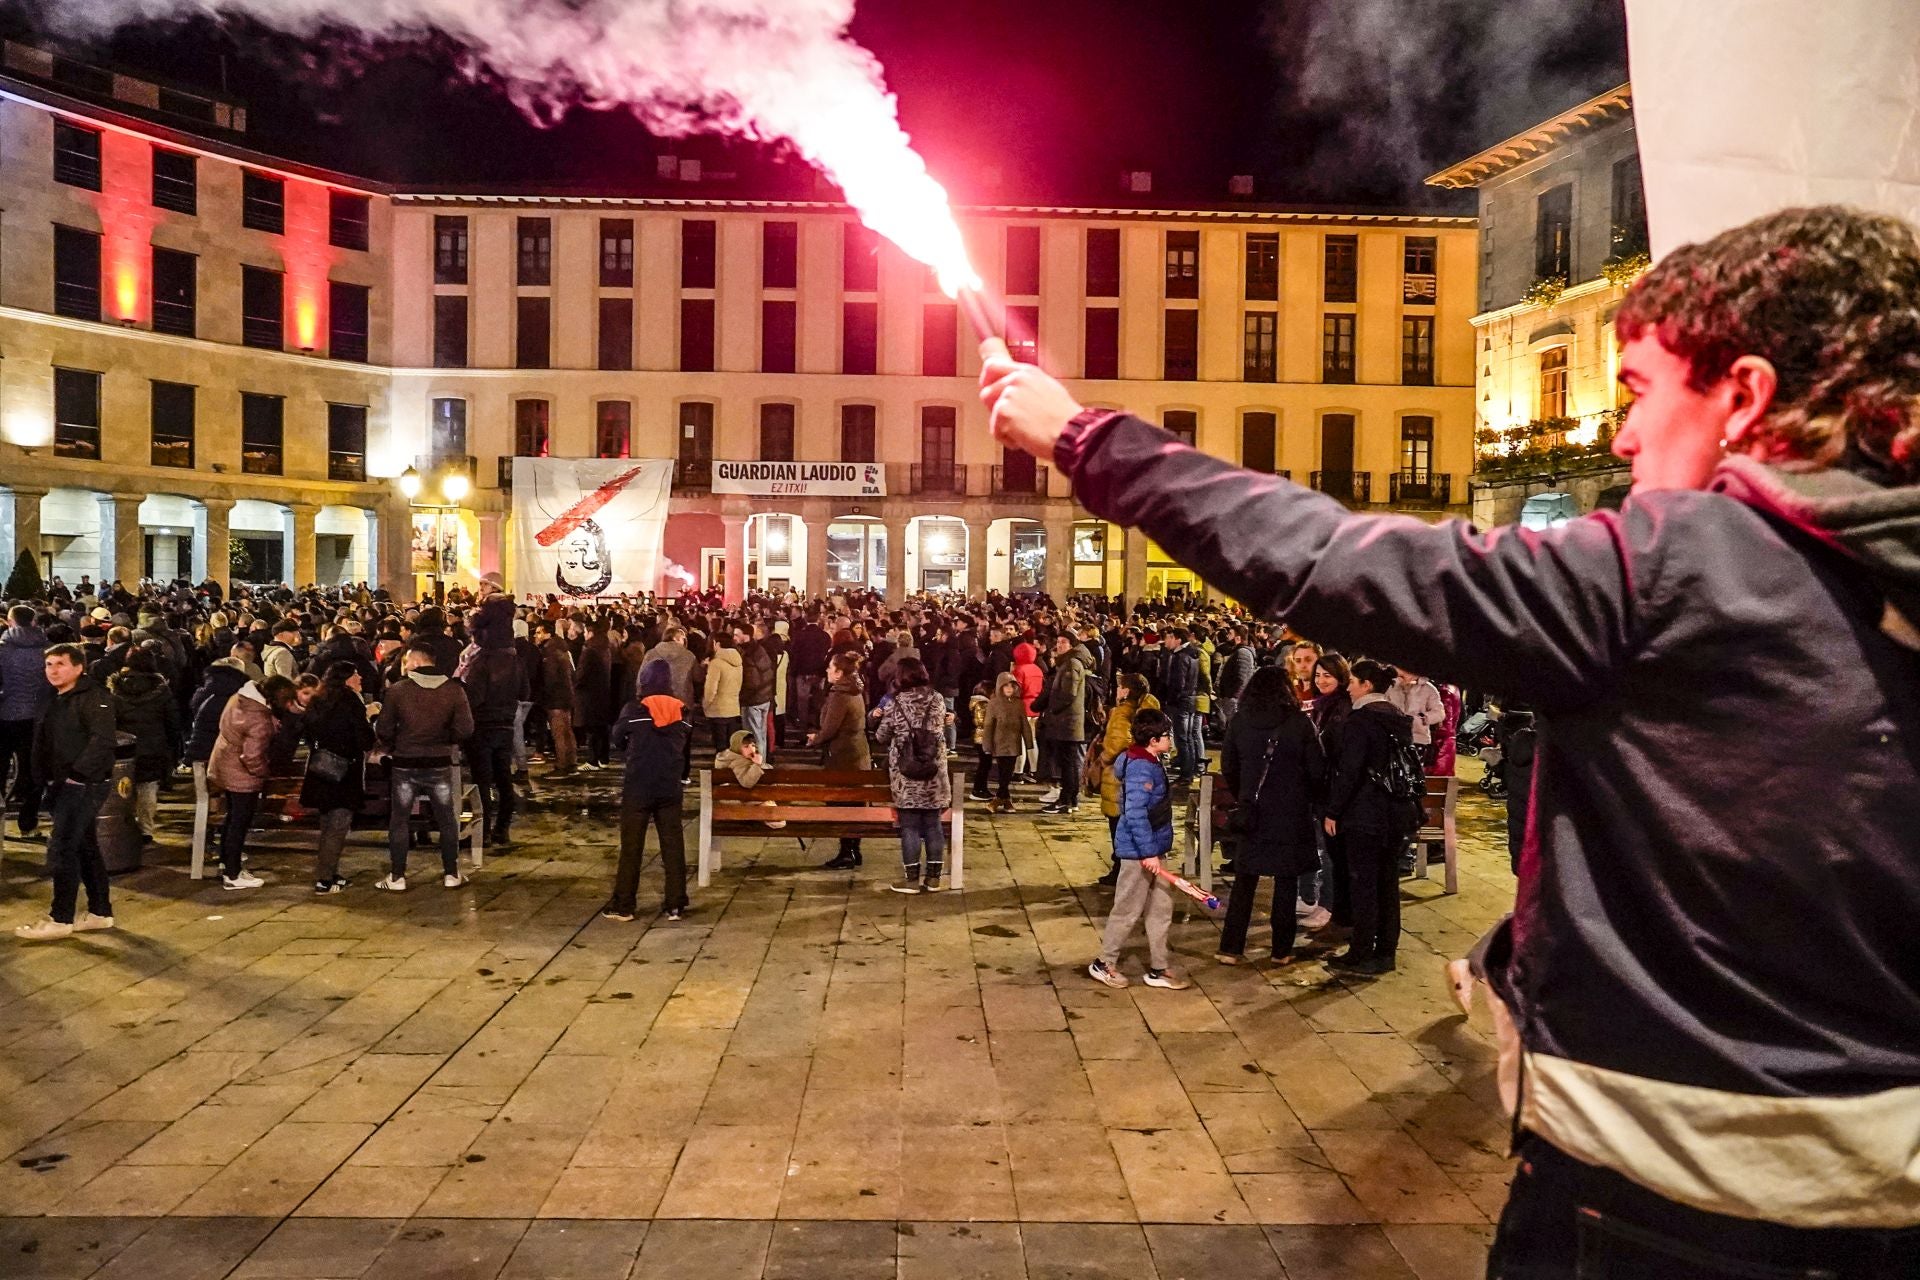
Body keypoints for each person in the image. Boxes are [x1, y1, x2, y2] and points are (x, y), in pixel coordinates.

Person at [981, 204, 1920, 1265]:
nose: (1620, 435)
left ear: (1745, 397)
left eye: (1643, 393)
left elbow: (1332, 560)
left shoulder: (1677, 568)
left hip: (1664, 1208)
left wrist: (1084, 436)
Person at [1215, 666, 1325, 966]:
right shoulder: (1299, 723)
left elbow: (1229, 765)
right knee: (1286, 882)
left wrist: (1246, 796)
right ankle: (1281, 950)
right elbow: (1317, 770)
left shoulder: (1240, 722)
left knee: (1244, 880)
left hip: (1254, 811)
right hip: (1290, 812)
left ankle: (1231, 948)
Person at [12, 644, 118, 940]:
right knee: (85, 846)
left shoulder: (94, 697)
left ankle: (60, 917)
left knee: (62, 847)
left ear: (79, 667)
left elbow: (102, 740)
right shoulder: (52, 698)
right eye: (48, 664)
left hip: (82, 784)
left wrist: (77, 775)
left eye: (60, 664)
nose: (53, 670)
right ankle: (100, 911)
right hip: (59, 782)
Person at [1087, 708, 1190, 991]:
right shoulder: (1141, 767)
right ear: (1153, 740)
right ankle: (1104, 963)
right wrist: (1147, 853)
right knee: (1127, 909)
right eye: (1167, 736)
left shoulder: (1149, 760)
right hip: (1138, 852)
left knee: (1161, 908)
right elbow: (1134, 813)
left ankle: (1159, 967)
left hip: (1152, 848)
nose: (1171, 740)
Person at [373, 643, 475, 891]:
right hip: (439, 762)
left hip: (405, 763)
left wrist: (397, 741)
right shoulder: (454, 690)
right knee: (446, 818)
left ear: (417, 662)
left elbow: (384, 730)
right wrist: (445, 739)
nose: (405, 666)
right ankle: (451, 873)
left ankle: (397, 876)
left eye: (407, 662)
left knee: (400, 819)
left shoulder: (398, 691)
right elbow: (466, 729)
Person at [604, 660, 692, 922]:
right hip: (669, 785)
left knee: (631, 846)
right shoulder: (683, 713)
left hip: (638, 785)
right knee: (673, 844)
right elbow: (685, 751)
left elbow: (617, 738)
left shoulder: (634, 709)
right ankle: (675, 903)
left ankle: (624, 904)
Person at [208, 673, 298, 891]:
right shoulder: (259, 719)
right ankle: (233, 874)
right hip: (240, 775)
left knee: (231, 820)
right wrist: (264, 773)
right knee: (239, 822)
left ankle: (227, 863)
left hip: (223, 763)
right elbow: (252, 757)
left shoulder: (240, 698)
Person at [874, 656, 950, 893]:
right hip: (933, 771)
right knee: (933, 824)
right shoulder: (937, 700)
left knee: (909, 826)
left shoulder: (895, 703)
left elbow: (881, 736)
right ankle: (934, 878)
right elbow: (940, 727)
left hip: (906, 775)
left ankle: (911, 880)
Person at [301, 661, 374, 893]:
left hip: (321, 769)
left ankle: (329, 871)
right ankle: (324, 878)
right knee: (338, 825)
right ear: (345, 679)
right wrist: (371, 717)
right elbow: (365, 740)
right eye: (355, 674)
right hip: (344, 771)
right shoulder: (350, 701)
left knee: (327, 824)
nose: (360, 678)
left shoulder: (318, 700)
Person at [463, 624, 529, 847]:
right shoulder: (515, 662)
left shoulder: (481, 662)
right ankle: (502, 828)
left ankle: (483, 831)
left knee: (482, 781)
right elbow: (525, 692)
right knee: (503, 778)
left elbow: (475, 696)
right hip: (505, 724)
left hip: (483, 725)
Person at [108, 648, 182, 842]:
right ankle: (145, 829)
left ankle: (124, 824)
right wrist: (173, 745)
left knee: (124, 786)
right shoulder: (161, 690)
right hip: (153, 746)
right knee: (148, 787)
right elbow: (172, 721)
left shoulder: (116, 689)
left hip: (124, 748)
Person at [1093, 672, 1158, 886]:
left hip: (1117, 776)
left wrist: (1103, 758)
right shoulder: (1139, 711)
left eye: (1120, 686)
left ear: (1127, 690)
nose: (1117, 690)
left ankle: (1120, 868)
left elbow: (1118, 741)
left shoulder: (1122, 713)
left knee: (1118, 824)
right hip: (1133, 774)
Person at [810, 650, 871, 870]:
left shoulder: (840, 694)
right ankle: (853, 850)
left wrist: (815, 739)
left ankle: (847, 853)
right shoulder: (854, 690)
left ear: (839, 673)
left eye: (830, 668)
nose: (827, 670)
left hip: (843, 757)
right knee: (854, 803)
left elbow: (829, 728)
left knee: (843, 803)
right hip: (857, 754)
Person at [0, 605, 53, 837]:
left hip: (4, 716)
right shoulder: (48, 650)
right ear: (33, 622)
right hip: (36, 717)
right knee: (34, 771)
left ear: (11, 621)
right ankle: (28, 824)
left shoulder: (2, 650)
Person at [1036, 632, 1088, 814]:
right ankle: (1069, 799)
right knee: (1069, 763)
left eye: (1063, 642)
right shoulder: (1066, 663)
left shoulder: (1071, 664)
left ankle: (1067, 799)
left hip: (1067, 722)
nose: (1059, 645)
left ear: (1072, 645)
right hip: (1067, 722)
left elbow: (1067, 694)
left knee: (1068, 764)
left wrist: (1052, 708)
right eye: (1057, 642)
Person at [974, 673, 1030, 813]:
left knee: (1007, 771)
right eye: (1006, 686)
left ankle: (1000, 799)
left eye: (1012, 686)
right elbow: (988, 725)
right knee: (1003, 771)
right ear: (1000, 687)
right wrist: (987, 745)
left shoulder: (1018, 704)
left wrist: (1029, 741)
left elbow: (1024, 723)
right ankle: (1005, 799)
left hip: (1013, 743)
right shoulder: (994, 703)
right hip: (999, 742)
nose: (1009, 689)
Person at [534, 620, 577, 777]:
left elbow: (550, 677)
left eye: (539, 632)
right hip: (566, 695)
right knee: (567, 731)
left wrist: (545, 695)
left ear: (547, 633)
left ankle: (562, 765)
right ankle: (571, 761)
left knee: (558, 732)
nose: (536, 636)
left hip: (556, 698)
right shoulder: (561, 648)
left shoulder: (549, 651)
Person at [1386, 666, 1446, 772]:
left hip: (1418, 738)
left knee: (1413, 772)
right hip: (1392, 736)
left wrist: (1422, 718)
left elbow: (1439, 713)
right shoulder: (1391, 686)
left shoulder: (1429, 689)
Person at [736, 622, 776, 759]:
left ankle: (757, 765)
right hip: (764, 697)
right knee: (761, 734)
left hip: (753, 700)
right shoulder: (759, 649)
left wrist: (742, 696)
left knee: (753, 735)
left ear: (745, 636)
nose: (734, 637)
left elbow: (752, 682)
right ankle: (761, 761)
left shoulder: (748, 655)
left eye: (737, 635)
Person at [703, 632, 743, 754]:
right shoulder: (738, 662)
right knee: (731, 744)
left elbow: (711, 689)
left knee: (720, 746)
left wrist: (706, 703)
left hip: (718, 709)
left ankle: (721, 769)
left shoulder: (716, 663)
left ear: (717, 644)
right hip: (733, 707)